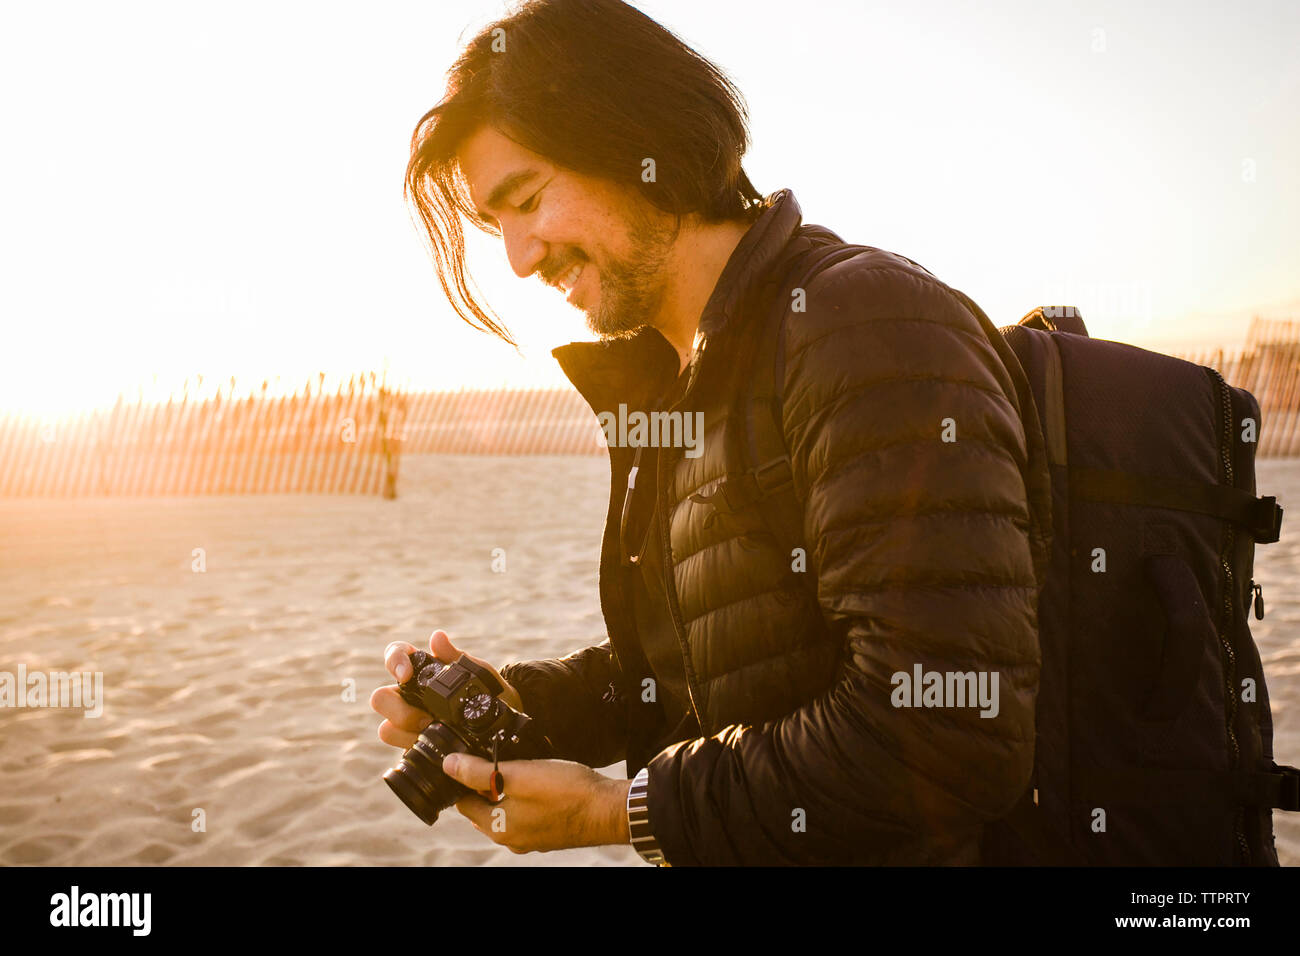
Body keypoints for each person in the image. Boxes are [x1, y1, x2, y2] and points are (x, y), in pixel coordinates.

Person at [370, 0, 1051, 865]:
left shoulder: (859, 323)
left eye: (530, 199)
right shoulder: (684, 375)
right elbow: (699, 673)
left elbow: (952, 732)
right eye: (495, 223)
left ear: (636, 138)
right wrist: (524, 707)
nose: (518, 258)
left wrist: (615, 813)